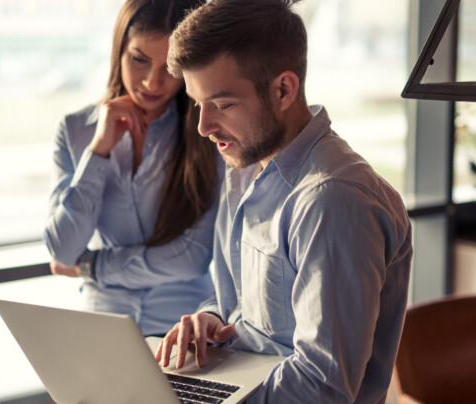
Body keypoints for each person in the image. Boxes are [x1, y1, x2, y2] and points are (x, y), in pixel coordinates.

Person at [155, 0, 413, 402]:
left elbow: (321, 385)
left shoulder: (333, 201)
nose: (204, 127)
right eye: (197, 104)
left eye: (222, 104)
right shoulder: (243, 165)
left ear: (284, 90)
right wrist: (212, 318)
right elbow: (242, 305)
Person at [44, 0, 221, 337]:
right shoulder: (74, 130)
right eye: (139, 60)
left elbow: (192, 258)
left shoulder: (207, 132)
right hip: (103, 333)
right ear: (119, 49)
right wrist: (98, 152)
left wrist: (91, 265)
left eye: (170, 68)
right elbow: (62, 249)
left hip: (184, 334)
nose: (153, 83)